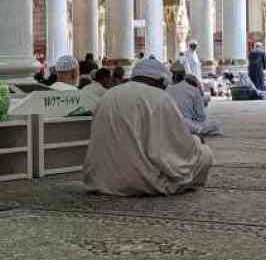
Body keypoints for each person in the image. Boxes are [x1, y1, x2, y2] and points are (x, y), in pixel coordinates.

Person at [83, 58, 214, 196]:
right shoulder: (160, 97)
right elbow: (176, 147)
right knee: (205, 154)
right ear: (159, 80)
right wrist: (196, 141)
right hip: (140, 180)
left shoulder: (109, 94)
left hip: (100, 178)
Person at [167, 61, 222, 137]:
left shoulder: (165, 89)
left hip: (168, 124)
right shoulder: (193, 90)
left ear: (172, 75)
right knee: (216, 124)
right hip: (187, 123)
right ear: (184, 75)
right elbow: (201, 116)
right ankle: (198, 130)